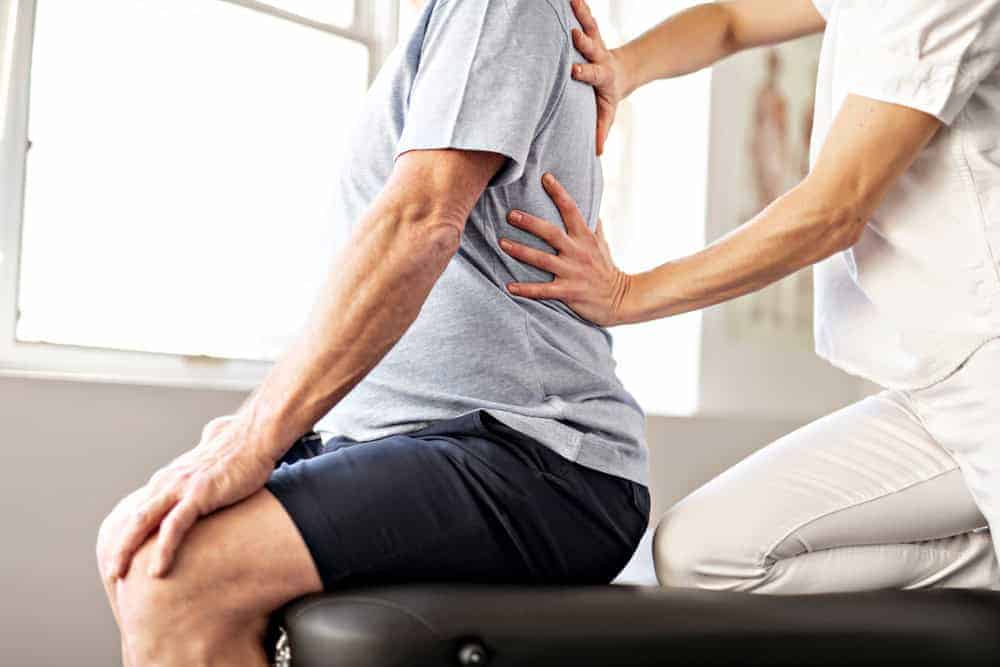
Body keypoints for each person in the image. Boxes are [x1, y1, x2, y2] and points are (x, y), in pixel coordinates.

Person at [94, 1, 651, 664]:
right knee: (132, 539)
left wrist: (257, 435)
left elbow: (420, 222)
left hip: (538, 452)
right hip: (418, 433)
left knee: (176, 572)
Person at [502, 0, 1000, 593]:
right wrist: (623, 67)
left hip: (984, 364)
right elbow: (733, 19)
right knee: (701, 552)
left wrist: (629, 294)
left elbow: (833, 211)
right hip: (931, 383)